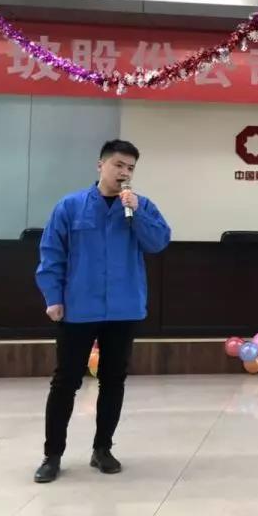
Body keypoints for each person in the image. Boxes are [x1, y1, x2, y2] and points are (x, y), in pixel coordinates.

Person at [33, 140, 171, 483]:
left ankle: (102, 449)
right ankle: (52, 454)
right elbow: (52, 253)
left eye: (130, 168)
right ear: (101, 165)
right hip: (79, 307)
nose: (124, 173)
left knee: (113, 380)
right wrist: (53, 296)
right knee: (66, 381)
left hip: (124, 308)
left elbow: (158, 243)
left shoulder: (140, 205)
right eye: (118, 165)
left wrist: (137, 213)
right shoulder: (70, 206)